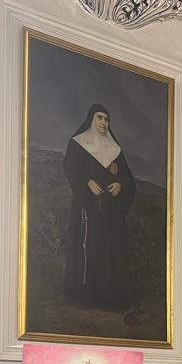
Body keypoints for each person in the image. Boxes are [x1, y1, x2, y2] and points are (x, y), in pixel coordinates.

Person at [63, 103, 136, 311]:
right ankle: (85, 295)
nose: (104, 122)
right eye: (100, 118)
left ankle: (110, 297)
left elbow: (127, 178)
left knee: (110, 251)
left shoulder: (115, 149)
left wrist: (120, 184)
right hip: (88, 209)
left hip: (111, 213)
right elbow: (70, 167)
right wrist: (87, 181)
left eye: (107, 119)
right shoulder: (79, 144)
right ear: (91, 119)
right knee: (89, 248)